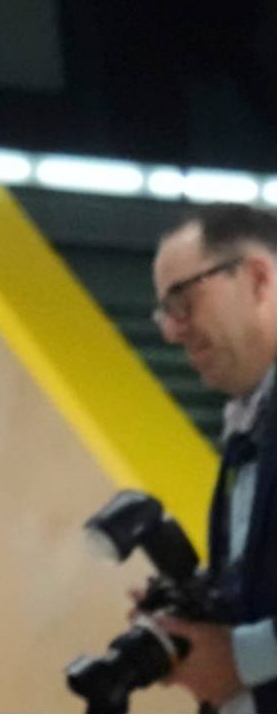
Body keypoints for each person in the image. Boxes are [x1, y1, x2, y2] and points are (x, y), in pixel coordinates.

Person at [146, 205, 276, 714]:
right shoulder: (252, 419)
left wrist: (241, 658)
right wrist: (197, 615)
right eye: (165, 311)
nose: (171, 331)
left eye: (183, 301)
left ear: (258, 279)